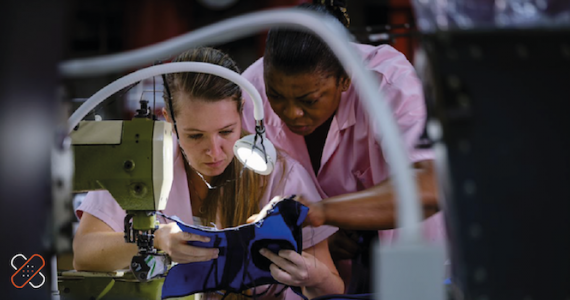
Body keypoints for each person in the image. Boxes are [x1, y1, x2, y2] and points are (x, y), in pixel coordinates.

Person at [73, 47, 344, 299]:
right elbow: (84, 253)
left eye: (226, 132)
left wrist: (312, 275)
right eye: (195, 136)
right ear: (169, 119)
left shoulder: (282, 176)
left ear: (242, 113)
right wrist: (157, 240)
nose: (214, 151)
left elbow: (334, 287)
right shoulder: (142, 164)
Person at [241, 2, 446, 293]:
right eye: (276, 96)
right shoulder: (252, 91)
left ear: (345, 78)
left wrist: (323, 213)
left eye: (309, 100)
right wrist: (318, 238)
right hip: (312, 273)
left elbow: (429, 187)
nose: (290, 112)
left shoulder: (389, 82)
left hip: (409, 256)